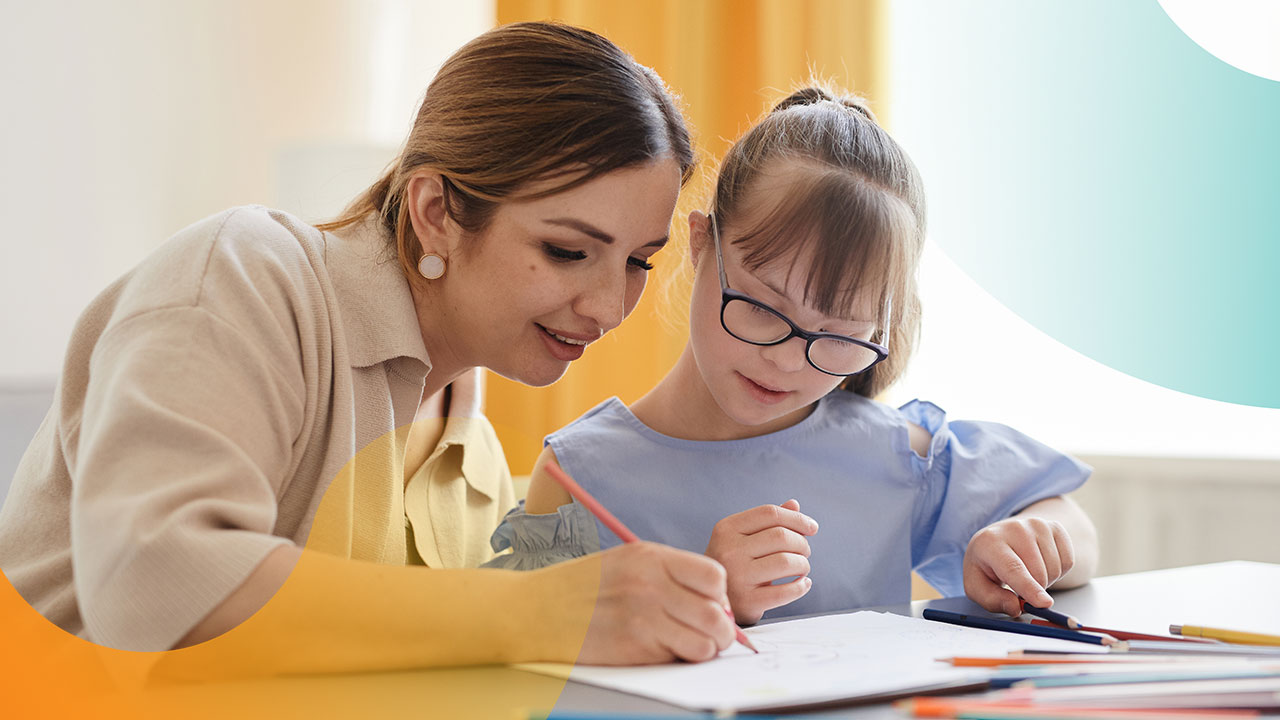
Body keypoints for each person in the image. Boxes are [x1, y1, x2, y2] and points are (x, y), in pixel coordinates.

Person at [0, 21, 739, 666]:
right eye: (568, 251)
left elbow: (440, 645)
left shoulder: (469, 437)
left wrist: (686, 606)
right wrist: (541, 613)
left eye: (640, 261)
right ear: (436, 212)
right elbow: (154, 590)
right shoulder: (242, 281)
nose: (610, 308)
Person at [488, 85, 1100, 625]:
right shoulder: (579, 477)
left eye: (838, 335)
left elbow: (1068, 521)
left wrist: (1031, 542)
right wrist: (705, 595)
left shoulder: (893, 454)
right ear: (702, 245)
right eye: (762, 307)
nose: (786, 361)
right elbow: (516, 652)